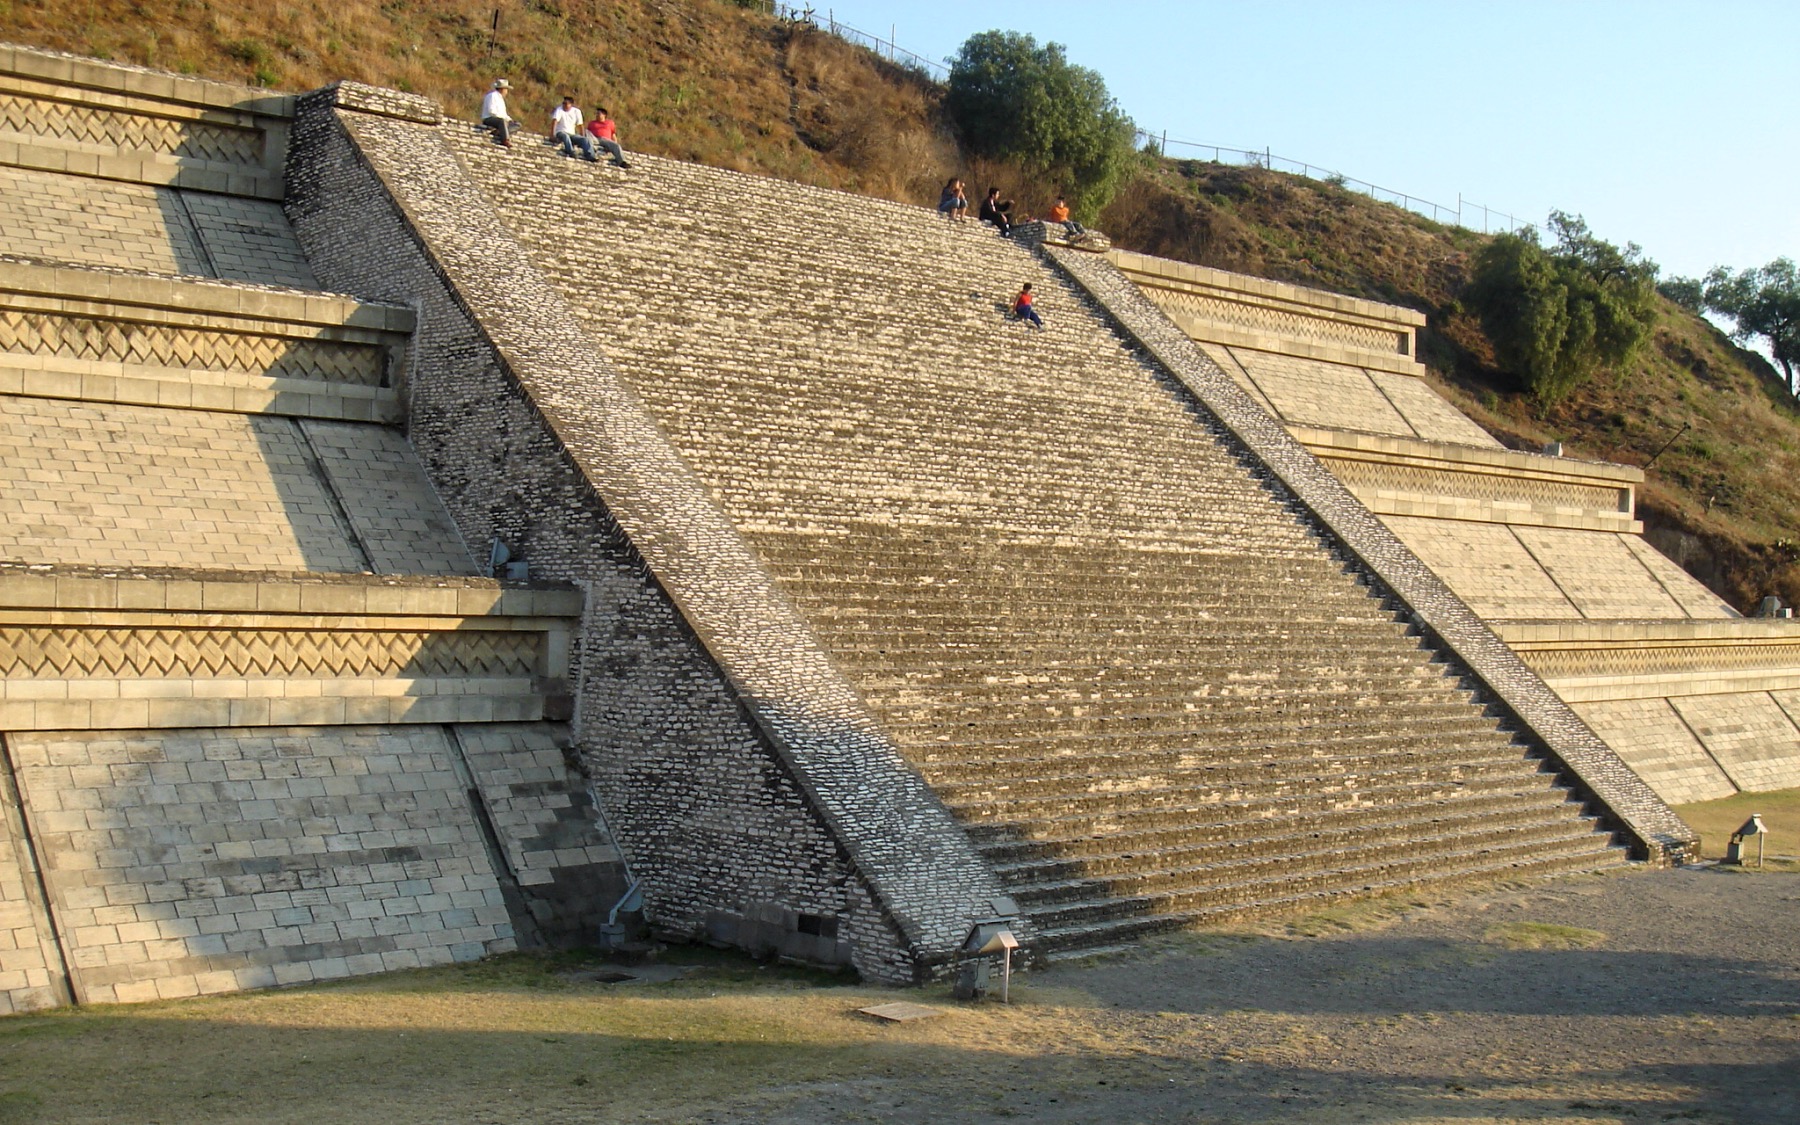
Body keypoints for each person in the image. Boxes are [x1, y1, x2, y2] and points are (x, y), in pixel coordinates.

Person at [481, 79, 518, 148]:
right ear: (502, 89)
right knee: (502, 121)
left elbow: (504, 114)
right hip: (489, 118)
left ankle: (499, 132)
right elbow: (491, 111)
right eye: (506, 89)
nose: (506, 92)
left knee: (516, 124)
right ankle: (505, 140)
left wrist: (509, 120)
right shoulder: (492, 96)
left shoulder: (501, 99)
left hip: (500, 120)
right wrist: (503, 119)